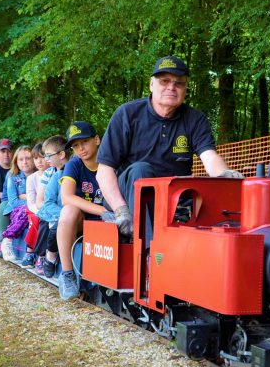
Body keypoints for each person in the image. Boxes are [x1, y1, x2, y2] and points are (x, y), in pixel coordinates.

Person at [96, 55, 242, 238]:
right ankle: (150, 250)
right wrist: (121, 211)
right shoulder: (127, 114)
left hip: (174, 197)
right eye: (164, 81)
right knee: (141, 170)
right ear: (151, 84)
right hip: (125, 196)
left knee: (202, 196)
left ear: (185, 89)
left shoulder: (195, 119)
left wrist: (226, 176)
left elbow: (209, 156)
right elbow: (104, 171)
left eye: (179, 83)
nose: (171, 87)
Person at [57, 121, 107, 299]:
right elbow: (66, 197)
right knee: (68, 211)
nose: (81, 149)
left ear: (97, 139)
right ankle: (67, 274)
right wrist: (102, 211)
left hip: (110, 221)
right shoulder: (74, 164)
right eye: (76, 146)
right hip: (83, 220)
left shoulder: (110, 161)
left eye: (84, 142)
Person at [35, 135, 70, 277]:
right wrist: (64, 214)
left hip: (75, 212)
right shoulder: (53, 174)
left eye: (48, 155)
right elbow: (43, 202)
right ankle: (47, 256)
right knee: (50, 225)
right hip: (56, 212)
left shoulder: (76, 168)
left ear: (61, 154)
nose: (45, 159)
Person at [0, 145, 36, 261]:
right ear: (16, 162)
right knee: (26, 208)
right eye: (21, 159)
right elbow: (14, 201)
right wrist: (31, 199)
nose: (24, 162)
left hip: (36, 209)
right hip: (16, 210)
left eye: (28, 158)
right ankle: (7, 241)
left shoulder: (40, 175)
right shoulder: (13, 177)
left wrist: (25, 196)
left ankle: (8, 239)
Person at [20, 143, 46, 269]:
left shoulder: (54, 174)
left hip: (49, 209)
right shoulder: (31, 178)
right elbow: (30, 202)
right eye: (35, 158)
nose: (39, 161)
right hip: (34, 209)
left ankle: (41, 255)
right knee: (37, 220)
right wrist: (39, 212)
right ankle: (30, 252)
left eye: (42, 157)